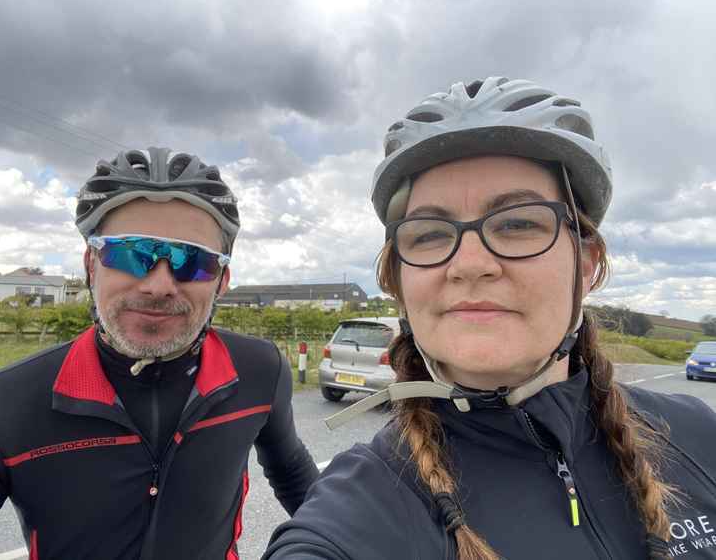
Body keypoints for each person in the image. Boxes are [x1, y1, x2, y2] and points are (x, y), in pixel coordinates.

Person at [263, 78, 716, 560]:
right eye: (430, 233)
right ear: (400, 280)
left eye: (519, 223)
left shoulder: (697, 435)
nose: (470, 264)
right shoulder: (355, 511)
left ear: (585, 263)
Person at [0, 147, 319, 560]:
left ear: (222, 281)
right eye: (130, 253)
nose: (159, 284)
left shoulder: (260, 369)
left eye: (193, 262)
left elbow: (293, 474)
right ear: (91, 265)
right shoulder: (1, 404)